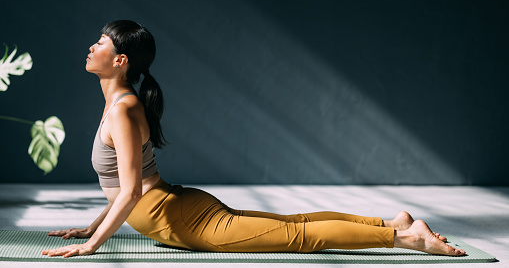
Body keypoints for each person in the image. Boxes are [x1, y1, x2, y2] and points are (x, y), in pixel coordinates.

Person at [41, 20, 465, 258]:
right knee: (291, 226)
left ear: (119, 60)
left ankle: (405, 238)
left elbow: (131, 190)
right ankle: (393, 223)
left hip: (183, 219)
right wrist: (90, 227)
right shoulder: (120, 105)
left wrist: (93, 246)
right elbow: (120, 185)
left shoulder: (123, 108)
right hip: (178, 207)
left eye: (99, 42)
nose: (90, 46)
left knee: (297, 237)